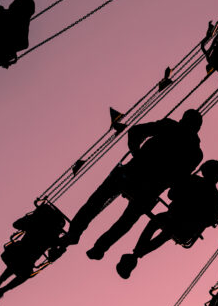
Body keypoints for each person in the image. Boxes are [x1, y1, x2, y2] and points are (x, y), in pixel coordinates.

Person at [59, 109, 204, 260]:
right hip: (151, 188)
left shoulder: (170, 126)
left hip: (133, 172)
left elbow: (136, 131)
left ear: (183, 119)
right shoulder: (195, 153)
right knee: (126, 220)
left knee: (97, 201)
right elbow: (180, 179)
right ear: (197, 128)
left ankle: (74, 233)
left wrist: (136, 152)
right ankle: (100, 247)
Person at [114, 159, 218, 278]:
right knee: (164, 231)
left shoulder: (194, 181)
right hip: (185, 227)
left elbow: (171, 195)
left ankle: (135, 255)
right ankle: (136, 255)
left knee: (157, 224)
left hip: (175, 219)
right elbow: (209, 220)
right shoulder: (216, 197)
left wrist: (182, 185)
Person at [0, 203, 66, 305]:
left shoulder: (35, 223)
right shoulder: (51, 233)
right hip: (26, 256)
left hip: (21, 253)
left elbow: (16, 224)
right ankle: (0, 289)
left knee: (18, 264)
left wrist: (28, 218)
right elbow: (53, 254)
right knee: (22, 268)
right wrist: (59, 250)